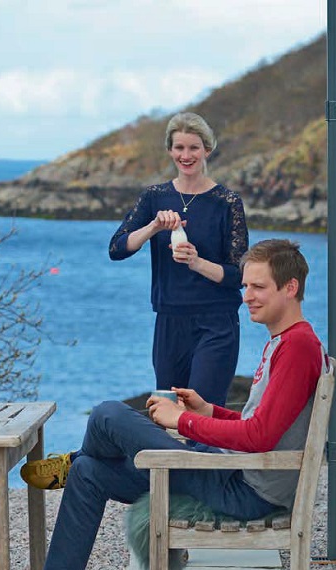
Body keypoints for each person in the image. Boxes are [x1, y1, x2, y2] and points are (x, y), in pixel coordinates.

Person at [0, 239, 327, 570]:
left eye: (258, 287)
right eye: (245, 286)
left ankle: (72, 461)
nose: (246, 296)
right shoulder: (288, 341)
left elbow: (260, 436)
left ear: (290, 287)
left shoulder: (297, 346)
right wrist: (208, 412)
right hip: (236, 472)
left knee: (108, 414)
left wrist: (184, 422)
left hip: (245, 489)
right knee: (90, 473)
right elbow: (259, 423)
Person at [109, 111, 249, 407]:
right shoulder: (154, 198)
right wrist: (153, 228)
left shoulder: (227, 203)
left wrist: (197, 262)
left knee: (201, 415)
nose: (186, 155)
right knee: (170, 416)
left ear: (207, 150)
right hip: (169, 321)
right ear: (170, 150)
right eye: (179, 148)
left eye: (193, 148)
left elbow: (239, 275)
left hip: (216, 323)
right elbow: (117, 248)